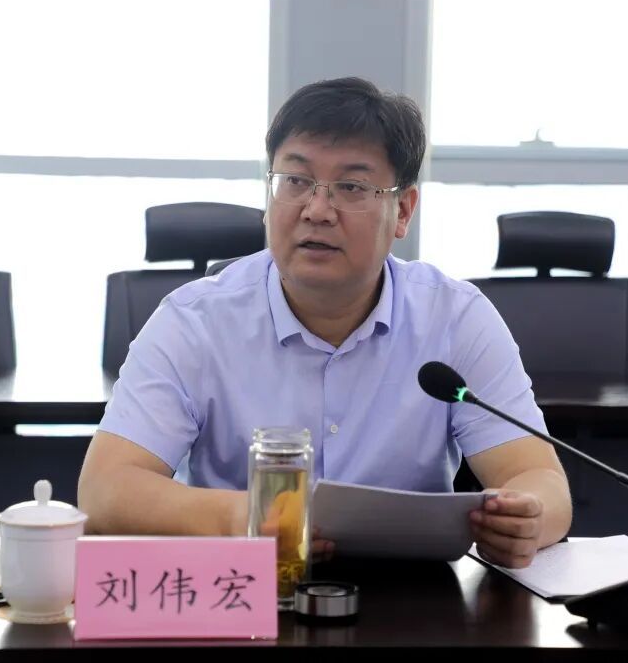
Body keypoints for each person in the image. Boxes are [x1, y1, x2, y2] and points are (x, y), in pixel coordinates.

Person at [78, 77, 571, 569]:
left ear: (402, 211)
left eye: (351, 187)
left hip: (412, 598)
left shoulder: (455, 318)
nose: (317, 210)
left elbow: (540, 481)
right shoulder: (194, 321)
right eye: (295, 181)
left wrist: (528, 519)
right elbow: (105, 490)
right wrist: (248, 518)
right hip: (244, 590)